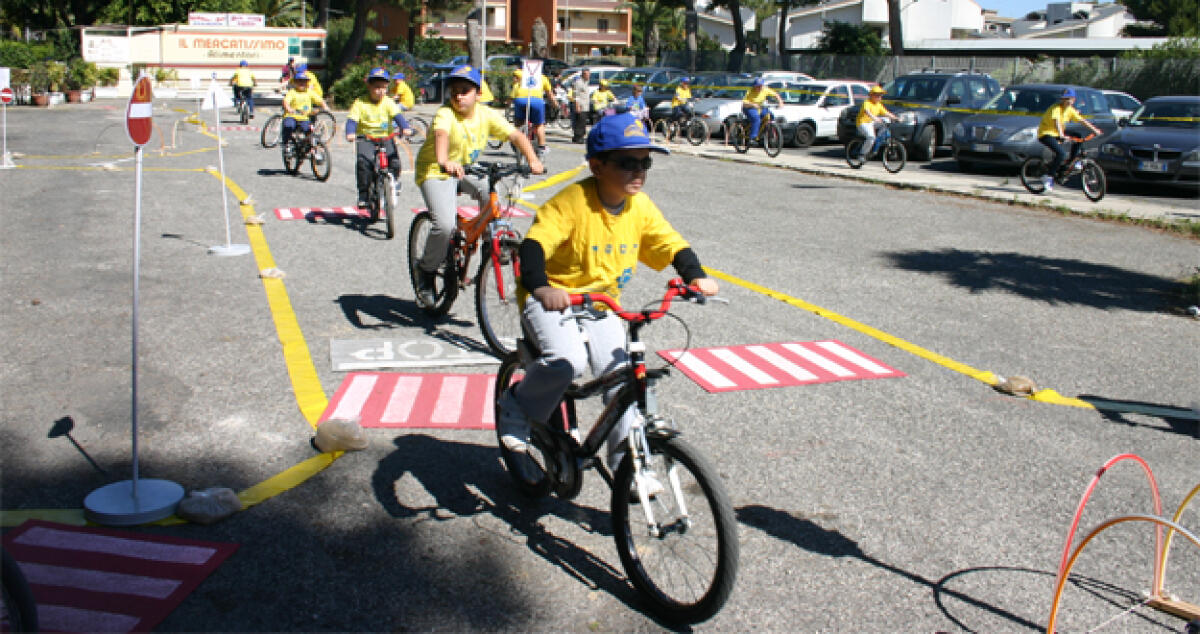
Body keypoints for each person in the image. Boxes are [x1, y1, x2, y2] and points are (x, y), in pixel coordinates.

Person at [496, 111, 719, 472]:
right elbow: (534, 246)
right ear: (597, 166)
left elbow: (668, 241)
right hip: (555, 298)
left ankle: (627, 467)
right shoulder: (573, 201)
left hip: (602, 304)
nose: (639, 171)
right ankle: (517, 406)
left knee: (624, 379)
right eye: (627, 162)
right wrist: (540, 287)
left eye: (644, 162)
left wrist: (694, 275)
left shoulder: (639, 206)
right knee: (568, 360)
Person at [412, 65, 545, 306]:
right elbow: (441, 135)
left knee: (489, 189)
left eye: (465, 91)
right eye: (454, 91)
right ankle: (426, 270)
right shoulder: (446, 114)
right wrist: (444, 161)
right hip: (436, 170)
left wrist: (533, 159)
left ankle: (488, 245)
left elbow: (516, 136)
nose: (458, 96)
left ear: (478, 94)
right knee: (443, 224)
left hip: (465, 168)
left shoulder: (486, 115)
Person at [345, 67, 415, 209]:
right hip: (367, 138)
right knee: (364, 163)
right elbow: (352, 121)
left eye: (383, 88)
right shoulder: (360, 103)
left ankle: (394, 181)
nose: (380, 91)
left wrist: (405, 128)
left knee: (394, 162)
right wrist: (350, 133)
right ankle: (364, 194)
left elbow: (398, 117)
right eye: (376, 87)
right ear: (369, 86)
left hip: (385, 137)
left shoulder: (388, 102)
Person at [1037, 87, 1101, 192]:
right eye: (1064, 99)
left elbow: (1082, 121)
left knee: (1078, 136)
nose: (1066, 101)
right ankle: (1048, 177)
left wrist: (1095, 130)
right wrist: (1062, 134)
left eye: (1068, 99)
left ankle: (1071, 162)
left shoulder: (1071, 110)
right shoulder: (1056, 108)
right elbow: (1056, 122)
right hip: (1046, 134)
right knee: (1061, 154)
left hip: (1058, 133)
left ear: (1073, 100)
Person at [511, 66, 557, 155]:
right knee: (539, 124)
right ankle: (541, 147)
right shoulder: (543, 78)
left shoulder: (523, 77)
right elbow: (550, 95)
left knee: (519, 122)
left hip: (520, 99)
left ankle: (516, 139)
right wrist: (555, 105)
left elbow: (515, 88)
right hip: (536, 101)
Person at [281, 70, 327, 147]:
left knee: (309, 131)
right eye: (299, 81)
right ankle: (286, 144)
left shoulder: (309, 92)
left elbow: (319, 100)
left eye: (304, 81)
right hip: (292, 116)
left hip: (304, 117)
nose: (302, 83)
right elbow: (286, 101)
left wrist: (325, 107)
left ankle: (311, 150)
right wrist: (289, 108)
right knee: (289, 126)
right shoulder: (292, 92)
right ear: (295, 83)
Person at [854, 85, 898, 162]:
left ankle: (878, 139)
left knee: (886, 120)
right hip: (863, 123)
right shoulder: (867, 102)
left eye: (880, 95)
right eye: (877, 95)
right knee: (871, 137)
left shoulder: (879, 105)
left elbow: (886, 113)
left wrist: (896, 118)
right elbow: (867, 111)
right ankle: (862, 154)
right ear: (871, 95)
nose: (879, 97)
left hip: (872, 122)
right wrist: (874, 118)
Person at [742, 78, 783, 143]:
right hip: (749, 108)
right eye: (757, 86)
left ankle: (768, 131)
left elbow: (776, 95)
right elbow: (744, 103)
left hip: (760, 107)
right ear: (754, 86)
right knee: (756, 119)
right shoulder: (750, 91)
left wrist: (780, 102)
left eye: (761, 86)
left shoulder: (765, 90)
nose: (759, 88)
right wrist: (752, 104)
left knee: (770, 116)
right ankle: (753, 138)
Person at [569, 69, 592, 143]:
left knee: (583, 121)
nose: (588, 76)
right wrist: (577, 105)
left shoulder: (586, 82)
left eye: (589, 74)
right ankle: (579, 137)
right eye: (587, 74)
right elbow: (576, 95)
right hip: (580, 105)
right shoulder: (579, 83)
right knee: (580, 122)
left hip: (585, 105)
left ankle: (577, 137)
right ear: (583, 74)